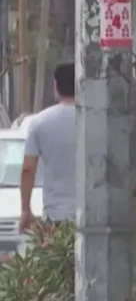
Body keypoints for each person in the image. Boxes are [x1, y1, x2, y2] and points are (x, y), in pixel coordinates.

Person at [21, 63, 77, 229]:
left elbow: (28, 168)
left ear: (55, 85)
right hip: (95, 215)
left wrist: (25, 209)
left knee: (59, 254)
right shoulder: (97, 119)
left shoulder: (39, 122)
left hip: (56, 215)